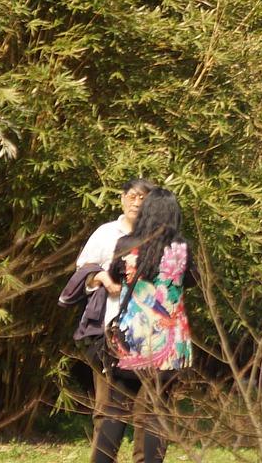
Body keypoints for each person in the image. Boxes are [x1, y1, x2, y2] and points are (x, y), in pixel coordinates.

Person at [93, 187, 193, 463]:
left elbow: (115, 273)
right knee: (157, 410)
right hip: (170, 342)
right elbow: (190, 280)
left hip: (131, 339)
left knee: (116, 408)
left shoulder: (126, 244)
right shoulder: (181, 247)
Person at [61, 180, 153, 449]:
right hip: (111, 332)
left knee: (150, 414)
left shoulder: (159, 235)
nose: (137, 203)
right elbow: (82, 270)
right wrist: (101, 276)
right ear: (122, 198)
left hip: (152, 335)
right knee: (109, 407)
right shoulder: (105, 233)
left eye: (143, 198)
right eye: (132, 197)